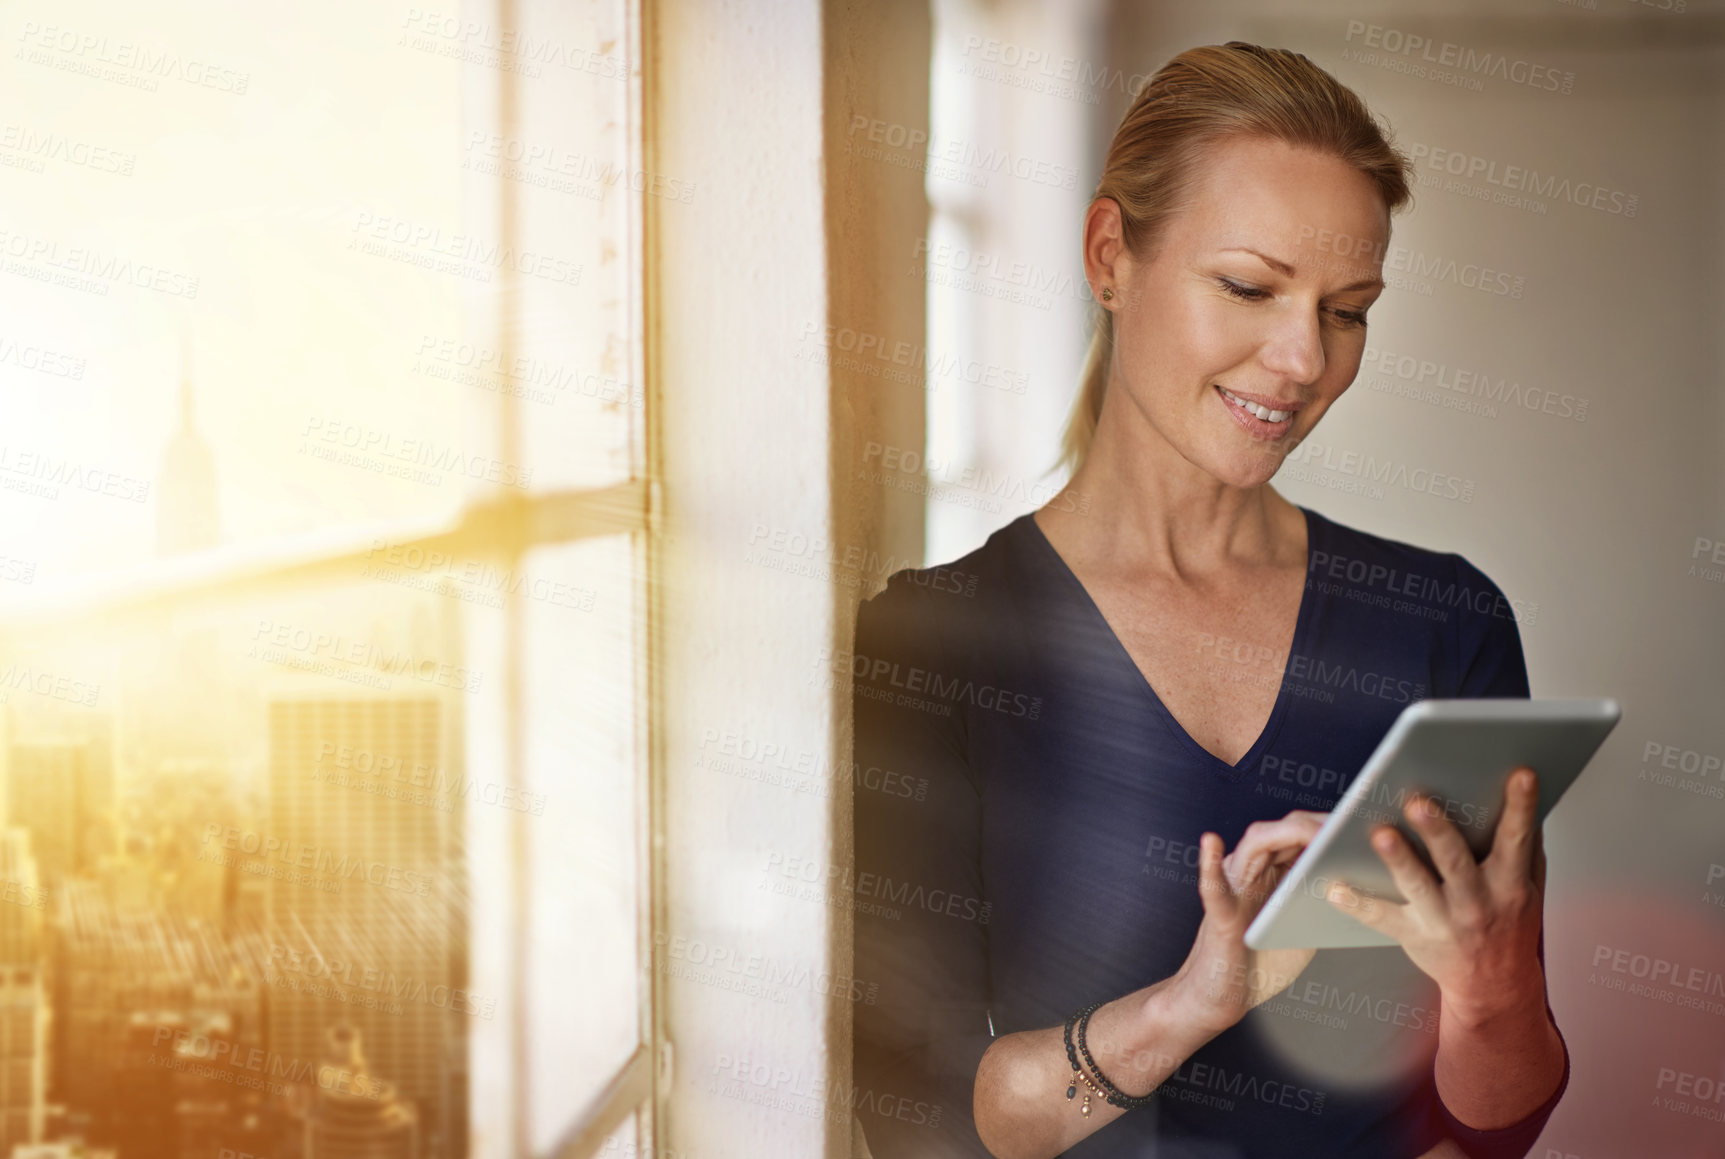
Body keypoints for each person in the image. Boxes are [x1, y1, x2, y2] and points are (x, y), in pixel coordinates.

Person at [850, 41, 1569, 1159]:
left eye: (1349, 310)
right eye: (1249, 286)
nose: (1301, 359)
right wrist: (1187, 1007)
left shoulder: (1445, 625)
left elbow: (1496, 1122)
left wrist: (1493, 991)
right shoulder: (934, 645)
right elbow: (913, 1116)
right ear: (1110, 255)